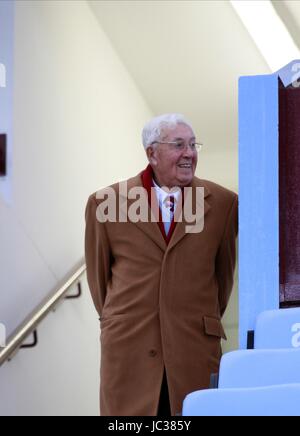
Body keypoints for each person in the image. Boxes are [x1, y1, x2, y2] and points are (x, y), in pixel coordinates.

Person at [85, 113, 238, 416]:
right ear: (151, 153)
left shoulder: (223, 203)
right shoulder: (105, 203)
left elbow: (223, 279)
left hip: (194, 350)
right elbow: (99, 281)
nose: (190, 154)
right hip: (130, 351)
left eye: (194, 145)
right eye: (179, 145)